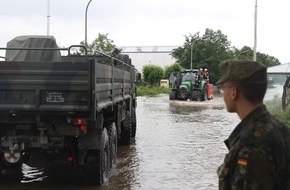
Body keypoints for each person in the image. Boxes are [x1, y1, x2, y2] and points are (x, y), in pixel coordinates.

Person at [216, 59, 290, 189]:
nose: (223, 94)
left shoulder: (250, 143)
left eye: (223, 88)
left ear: (234, 92)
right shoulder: (281, 128)